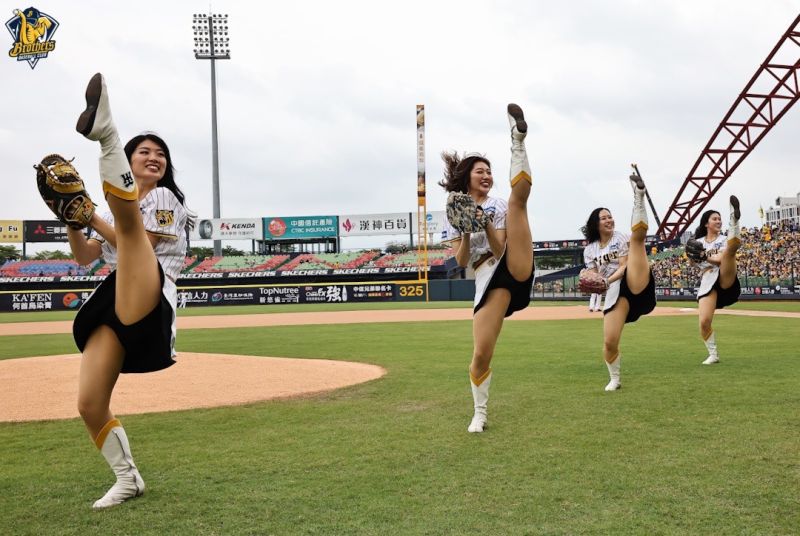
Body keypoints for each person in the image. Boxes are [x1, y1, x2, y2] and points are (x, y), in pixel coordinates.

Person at [66, 73, 192, 508]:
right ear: (131, 163)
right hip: (114, 298)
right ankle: (128, 478)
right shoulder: (116, 208)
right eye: (145, 152)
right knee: (89, 403)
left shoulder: (165, 199)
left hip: (150, 294)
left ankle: (107, 134)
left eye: (160, 154)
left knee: (130, 229)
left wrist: (91, 214)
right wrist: (70, 216)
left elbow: (135, 241)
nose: (154, 158)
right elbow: (85, 257)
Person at [440, 104, 535, 433]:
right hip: (487, 279)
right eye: (480, 171)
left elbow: (501, 248)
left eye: (489, 171)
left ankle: (518, 141)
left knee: (516, 202)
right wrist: (467, 229)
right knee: (481, 353)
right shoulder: (454, 209)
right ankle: (479, 413)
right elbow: (462, 262)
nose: (486, 176)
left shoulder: (496, 204)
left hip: (512, 261)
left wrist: (486, 223)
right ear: (467, 177)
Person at [581, 174, 656, 391]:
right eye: (604, 218)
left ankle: (639, 197)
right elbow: (592, 272)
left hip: (632, 279)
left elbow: (624, 266)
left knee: (638, 239)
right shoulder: (590, 250)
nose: (609, 220)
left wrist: (605, 280)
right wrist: (591, 277)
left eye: (610, 216)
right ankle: (615, 378)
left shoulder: (620, 238)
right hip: (615, 292)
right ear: (596, 224)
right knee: (609, 342)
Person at [684, 197, 741, 365]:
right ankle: (713, 354)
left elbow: (721, 259)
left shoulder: (723, 239)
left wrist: (703, 256)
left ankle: (735, 220)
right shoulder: (698, 242)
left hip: (725, 275)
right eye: (714, 219)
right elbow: (694, 264)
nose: (718, 221)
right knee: (704, 322)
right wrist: (692, 257)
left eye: (720, 218)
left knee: (730, 250)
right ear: (706, 224)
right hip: (708, 279)